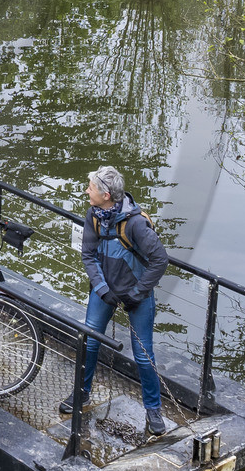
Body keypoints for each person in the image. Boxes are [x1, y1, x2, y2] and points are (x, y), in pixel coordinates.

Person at [61, 165, 171, 438]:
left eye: (91, 188)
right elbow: (88, 254)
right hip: (105, 291)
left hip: (138, 295)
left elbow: (160, 261)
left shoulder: (136, 224)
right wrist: (101, 288)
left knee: (144, 356)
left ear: (106, 195)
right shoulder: (93, 215)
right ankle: (82, 394)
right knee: (90, 340)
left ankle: (153, 409)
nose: (87, 191)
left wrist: (137, 294)